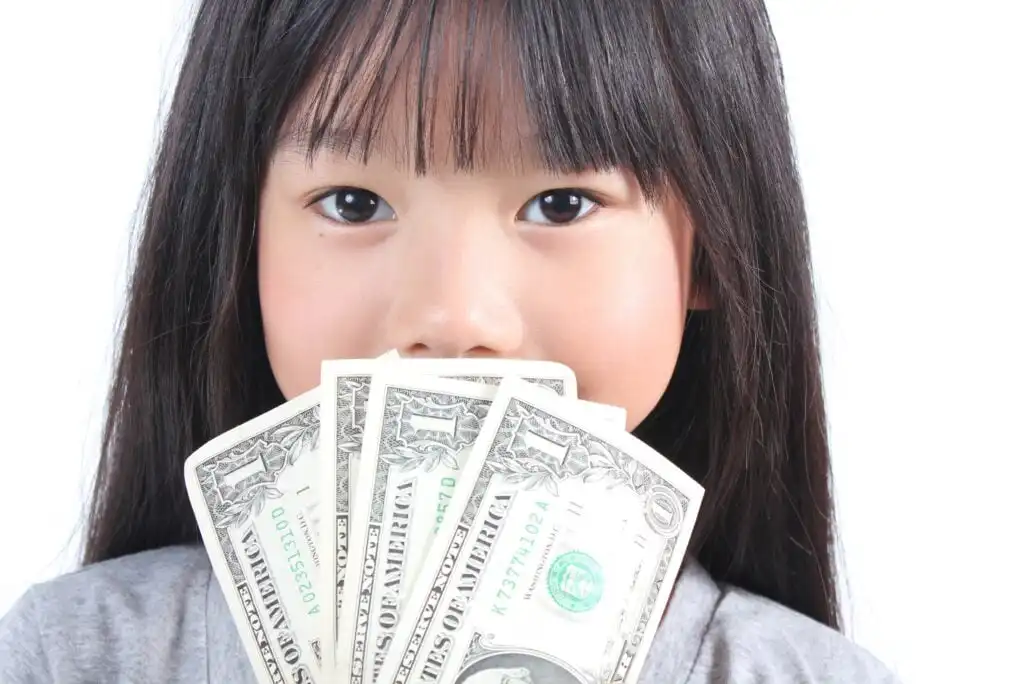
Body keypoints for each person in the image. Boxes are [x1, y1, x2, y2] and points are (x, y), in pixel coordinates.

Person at [0, 0, 899, 682]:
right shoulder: (75, 656)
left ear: (709, 247)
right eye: (354, 203)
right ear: (238, 242)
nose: (455, 317)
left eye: (562, 204)